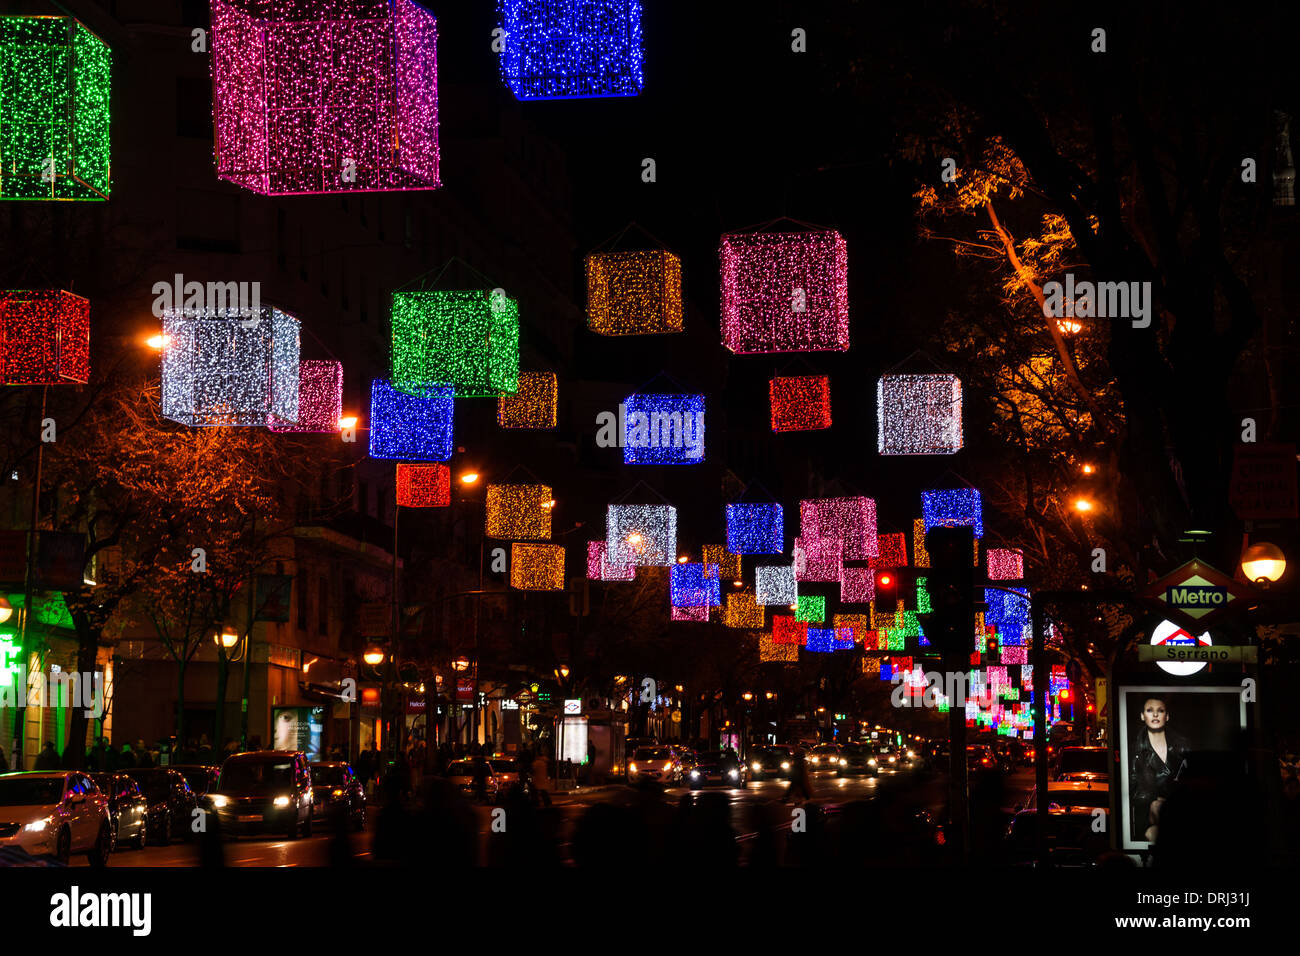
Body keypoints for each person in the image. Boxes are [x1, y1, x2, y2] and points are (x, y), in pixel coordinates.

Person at [1130, 696, 1189, 843]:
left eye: (1160, 711)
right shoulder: (1134, 751)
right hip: (1146, 818)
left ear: (1167, 716)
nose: (1155, 715)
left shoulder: (1182, 746)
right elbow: (1133, 789)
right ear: (1142, 716)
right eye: (1150, 710)